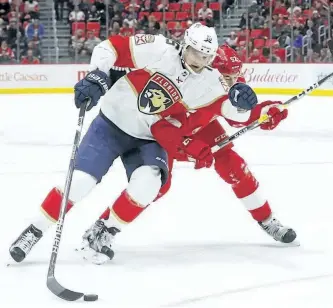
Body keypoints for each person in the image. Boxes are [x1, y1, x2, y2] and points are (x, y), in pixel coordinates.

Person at [9, 23, 238, 263]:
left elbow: (231, 110)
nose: (200, 61)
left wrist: (246, 104)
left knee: (149, 184)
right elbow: (110, 47)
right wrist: (98, 73)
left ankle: (102, 232)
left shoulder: (210, 80)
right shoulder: (159, 48)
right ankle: (35, 230)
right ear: (185, 45)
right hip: (112, 124)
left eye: (206, 56)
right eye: (196, 53)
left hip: (149, 138)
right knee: (80, 182)